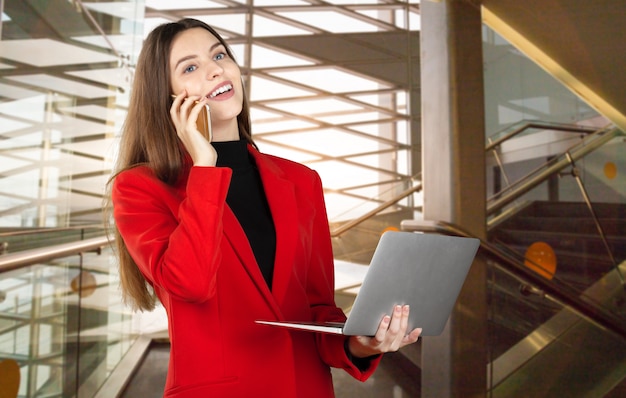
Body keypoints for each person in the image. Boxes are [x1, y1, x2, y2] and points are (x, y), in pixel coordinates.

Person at [106, 18, 421, 398]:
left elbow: (318, 309)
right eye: (190, 67)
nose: (215, 69)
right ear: (168, 98)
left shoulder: (302, 181)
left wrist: (362, 344)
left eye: (219, 55)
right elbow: (189, 284)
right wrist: (204, 167)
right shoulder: (140, 187)